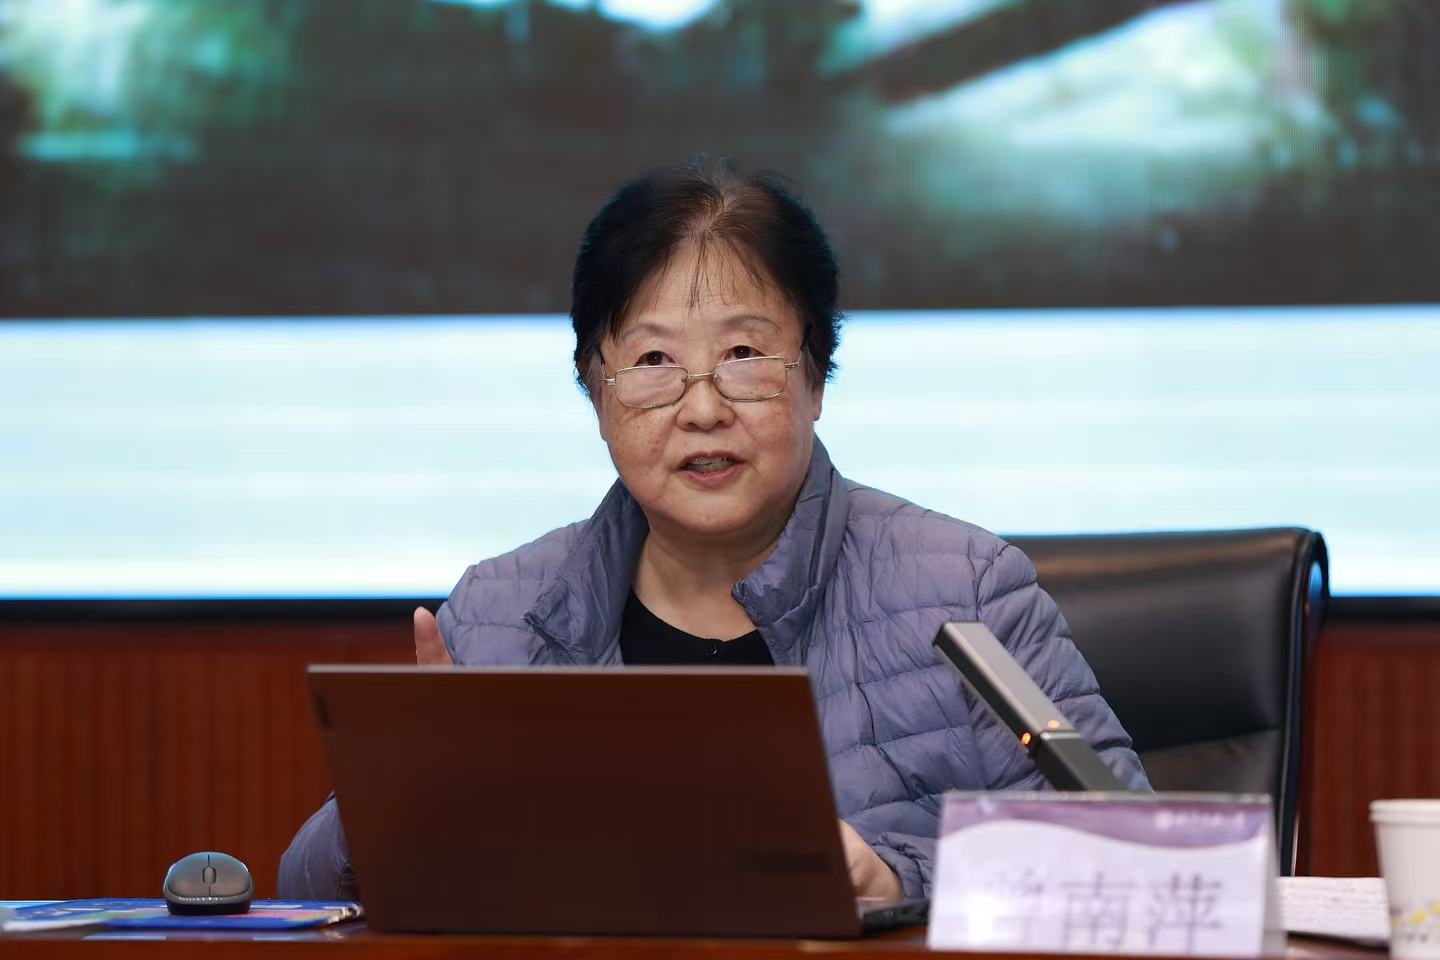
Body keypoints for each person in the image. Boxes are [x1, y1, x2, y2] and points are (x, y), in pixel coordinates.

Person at [278, 158, 1149, 902]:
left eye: (743, 356)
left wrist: (900, 876)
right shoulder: (501, 614)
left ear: (816, 376)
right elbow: (306, 891)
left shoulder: (966, 590)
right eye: (654, 361)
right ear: (595, 391)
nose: (702, 408)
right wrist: (400, 793)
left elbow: (1138, 860)